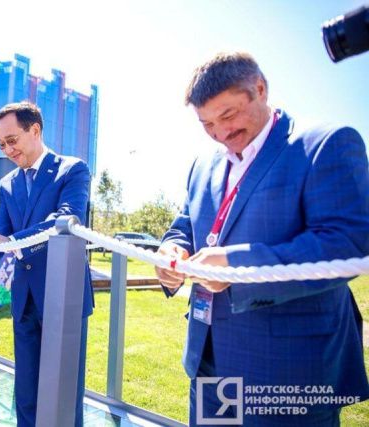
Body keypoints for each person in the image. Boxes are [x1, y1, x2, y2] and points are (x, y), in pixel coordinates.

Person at [155, 52, 369, 426]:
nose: (220, 133)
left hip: (289, 370)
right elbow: (186, 224)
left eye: (228, 115)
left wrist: (236, 266)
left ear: (260, 89)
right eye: (207, 124)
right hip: (210, 364)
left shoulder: (326, 144)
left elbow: (348, 242)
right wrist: (171, 249)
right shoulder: (202, 165)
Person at [0, 101, 94, 427]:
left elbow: (66, 220)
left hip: (64, 298)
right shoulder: (7, 183)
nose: (7, 150)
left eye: (12, 140)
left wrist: (9, 241)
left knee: (64, 395)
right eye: (1, 145)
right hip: (25, 300)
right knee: (26, 393)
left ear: (35, 130)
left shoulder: (73, 170)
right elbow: (2, 233)